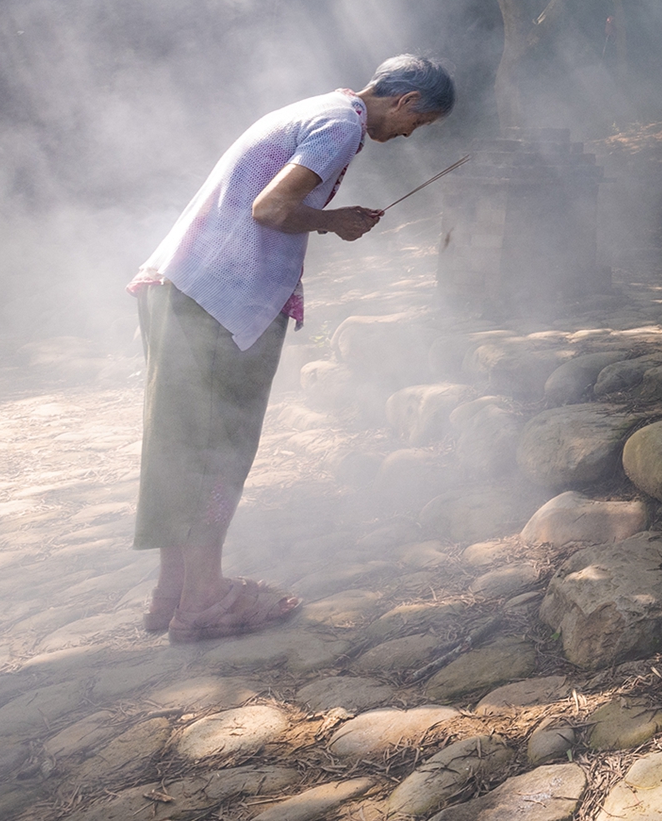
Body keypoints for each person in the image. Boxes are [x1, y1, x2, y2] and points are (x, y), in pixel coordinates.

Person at [127, 54, 455, 640]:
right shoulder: (341, 126)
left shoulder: (320, 109)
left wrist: (330, 218)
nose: (410, 135)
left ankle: (173, 590)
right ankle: (204, 600)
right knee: (218, 441)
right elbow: (271, 209)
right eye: (420, 122)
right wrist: (334, 222)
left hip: (180, 288)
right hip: (217, 304)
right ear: (404, 101)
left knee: (181, 440)